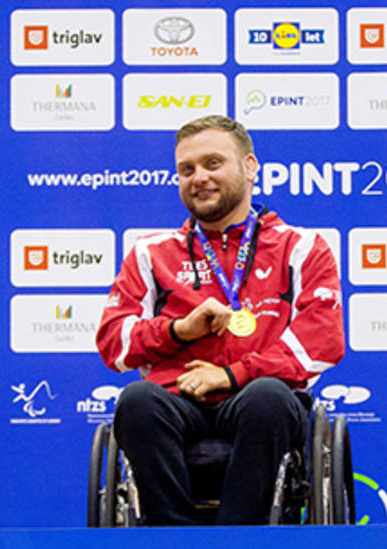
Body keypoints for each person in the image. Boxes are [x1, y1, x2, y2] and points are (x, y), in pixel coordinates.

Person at [96, 115, 344, 525]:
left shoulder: (302, 248)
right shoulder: (151, 254)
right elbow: (113, 342)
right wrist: (178, 330)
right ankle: (175, 547)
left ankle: (238, 544)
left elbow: (321, 341)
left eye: (213, 163)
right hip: (179, 398)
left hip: (259, 398)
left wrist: (231, 375)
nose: (199, 178)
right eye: (186, 169)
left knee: (268, 397)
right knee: (137, 402)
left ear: (249, 168)